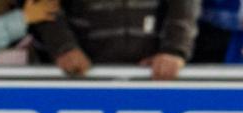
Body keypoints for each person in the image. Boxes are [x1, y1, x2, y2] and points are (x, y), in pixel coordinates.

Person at [30, 0, 200, 79]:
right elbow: (39, 5)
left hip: (152, 75)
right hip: (81, 76)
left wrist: (174, 50)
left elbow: (185, 5)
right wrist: (63, 47)